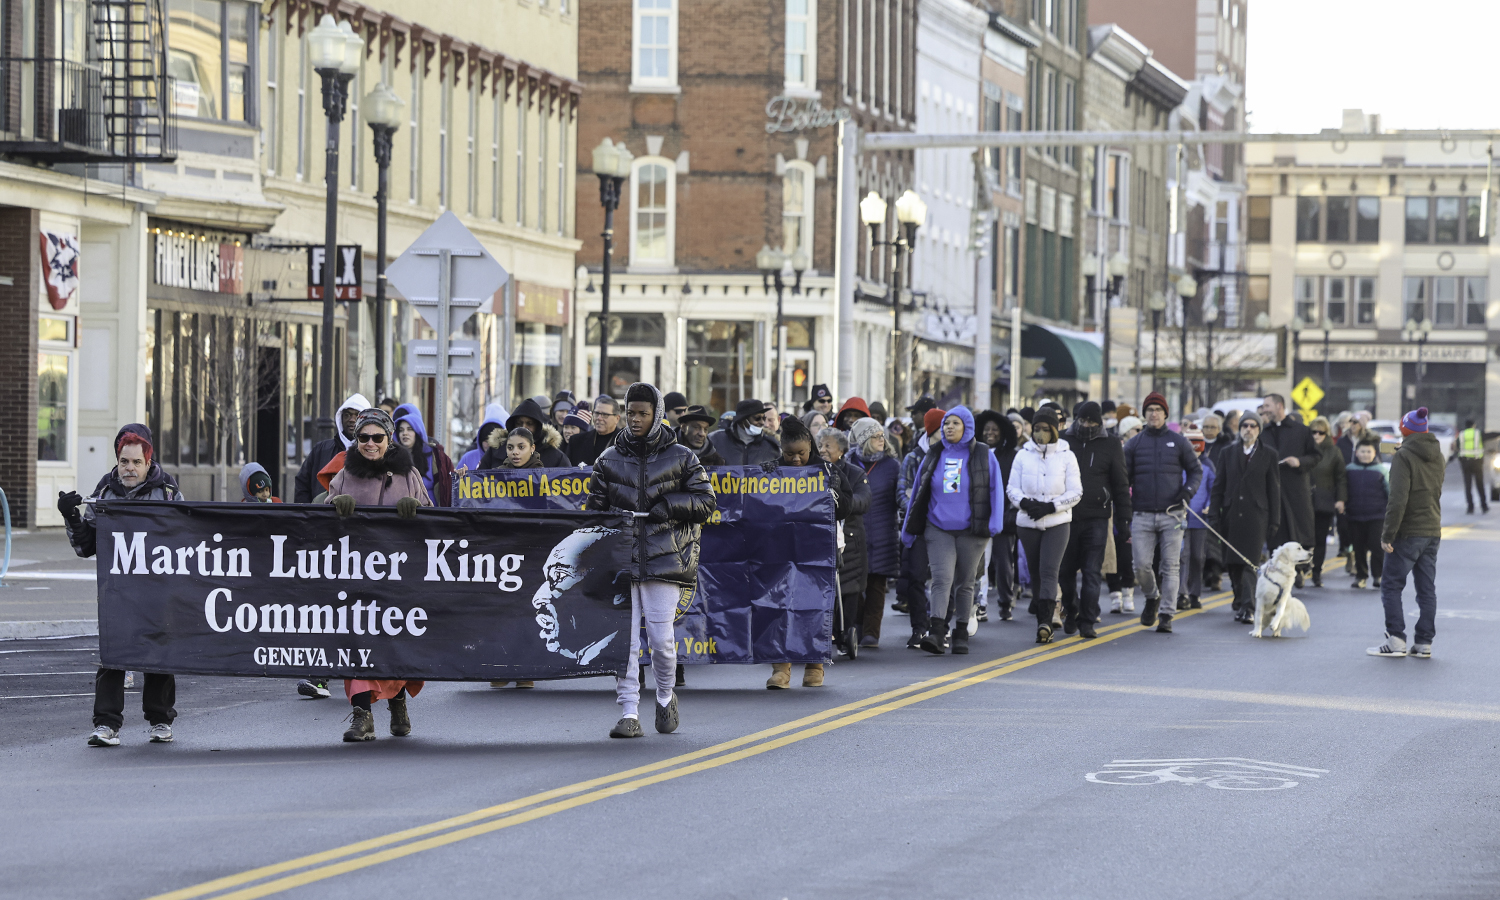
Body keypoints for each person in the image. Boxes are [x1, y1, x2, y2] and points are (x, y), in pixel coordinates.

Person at [589, 383, 716, 733]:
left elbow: (707, 503)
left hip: (665, 560)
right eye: (631, 412)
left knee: (661, 643)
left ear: (657, 414)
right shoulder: (608, 459)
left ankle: (664, 697)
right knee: (626, 644)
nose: (635, 419)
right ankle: (629, 713)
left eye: (643, 413)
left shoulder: (682, 456)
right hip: (622, 561)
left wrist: (669, 506)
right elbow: (592, 514)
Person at [60, 432, 184, 747]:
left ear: (148, 462)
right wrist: (71, 515)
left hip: (157, 590)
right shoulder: (103, 493)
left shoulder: (168, 493)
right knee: (113, 655)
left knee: (158, 654)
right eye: (124, 461)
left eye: (136, 462)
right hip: (117, 591)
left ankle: (160, 720)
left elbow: (186, 539)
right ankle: (106, 724)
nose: (129, 468)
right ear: (118, 461)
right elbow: (86, 546)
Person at [325, 408, 432, 741]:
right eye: (362, 438)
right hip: (354, 573)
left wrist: (416, 512)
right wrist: (333, 504)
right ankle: (362, 715)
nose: (369, 444)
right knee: (355, 643)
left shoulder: (409, 475)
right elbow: (321, 517)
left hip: (398, 576)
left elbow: (434, 519)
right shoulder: (344, 474)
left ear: (389, 439)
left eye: (377, 438)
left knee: (393, 642)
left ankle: (397, 702)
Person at [902, 406, 1004, 655]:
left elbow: (995, 489)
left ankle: (960, 632)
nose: (948, 428)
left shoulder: (983, 454)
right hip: (938, 528)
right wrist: (908, 528)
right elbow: (918, 490)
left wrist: (995, 523)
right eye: (946, 424)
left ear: (967, 427)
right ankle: (937, 631)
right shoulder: (934, 454)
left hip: (972, 529)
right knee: (941, 580)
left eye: (955, 423)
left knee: (966, 582)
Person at [765, 416, 848, 688]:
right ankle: (782, 667)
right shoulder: (771, 470)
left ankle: (815, 665)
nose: (796, 460)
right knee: (779, 606)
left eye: (801, 454)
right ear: (781, 450)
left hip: (817, 551)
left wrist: (833, 496)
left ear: (810, 447)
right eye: (789, 455)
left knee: (814, 605)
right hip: (780, 550)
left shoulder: (827, 470)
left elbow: (848, 506)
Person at [1123, 392, 1202, 634]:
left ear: (1166, 413)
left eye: (1158, 409)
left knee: (1171, 566)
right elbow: (1123, 477)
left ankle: (1167, 613)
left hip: (1173, 514)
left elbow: (1195, 472)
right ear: (1144, 415)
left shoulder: (1179, 442)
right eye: (1149, 410)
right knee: (1141, 565)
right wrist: (1124, 502)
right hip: (1142, 514)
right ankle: (1152, 596)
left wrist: (1187, 492)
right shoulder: (1134, 444)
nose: (1154, 414)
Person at [1369, 408, 1445, 659]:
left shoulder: (1403, 456)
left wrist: (1387, 534)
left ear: (1405, 429)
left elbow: (1397, 499)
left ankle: (1396, 640)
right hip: (1432, 529)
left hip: (1408, 531)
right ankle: (1424, 643)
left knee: (1391, 584)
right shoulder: (1437, 455)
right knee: (1426, 588)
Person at [1007, 407, 1082, 644]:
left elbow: (1076, 491)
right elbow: (1012, 489)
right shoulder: (1022, 455)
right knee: (1036, 571)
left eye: (1045, 429)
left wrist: (1052, 506)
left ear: (1054, 430)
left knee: (1050, 570)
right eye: (1036, 429)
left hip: (1057, 522)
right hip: (1028, 522)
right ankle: (1042, 613)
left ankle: (1046, 622)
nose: (1040, 433)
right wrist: (1025, 503)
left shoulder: (1066, 455)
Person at [1058, 401, 1130, 638]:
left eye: (1092, 422)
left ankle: (1087, 620)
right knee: (1065, 572)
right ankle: (1071, 609)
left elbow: (1121, 484)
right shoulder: (1063, 441)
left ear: (1099, 423)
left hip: (1097, 516)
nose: (1087, 425)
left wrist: (1124, 520)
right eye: (1083, 420)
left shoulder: (1110, 444)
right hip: (1067, 516)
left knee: (1091, 571)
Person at [1210, 414, 1280, 623]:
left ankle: (1249, 606)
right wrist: (1214, 513)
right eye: (1245, 426)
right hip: (1231, 515)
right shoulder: (1227, 453)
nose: (1248, 429)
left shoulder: (1269, 454)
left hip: (1256, 516)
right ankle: (1240, 599)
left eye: (1253, 426)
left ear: (1259, 430)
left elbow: (1274, 489)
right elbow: (1218, 486)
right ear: (1240, 429)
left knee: (1249, 562)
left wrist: (1274, 519)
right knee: (1232, 562)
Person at [892, 408, 944, 639]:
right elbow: (902, 493)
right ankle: (919, 628)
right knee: (916, 576)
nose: (950, 432)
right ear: (933, 431)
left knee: (944, 578)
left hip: (944, 525)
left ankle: (941, 625)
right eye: (944, 428)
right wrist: (918, 507)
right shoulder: (914, 458)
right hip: (917, 525)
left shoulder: (952, 456)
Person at [818, 427, 870, 656]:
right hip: (818, 536)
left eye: (828, 446)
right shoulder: (813, 470)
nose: (823, 450)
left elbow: (863, 501)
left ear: (841, 450)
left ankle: (846, 631)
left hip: (848, 539)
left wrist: (839, 501)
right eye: (820, 445)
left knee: (849, 588)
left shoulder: (856, 474)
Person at [850, 417, 901, 647]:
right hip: (854, 533)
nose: (882, 440)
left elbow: (898, 498)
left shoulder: (892, 465)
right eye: (876, 436)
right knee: (854, 584)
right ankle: (856, 627)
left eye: (883, 435)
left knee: (876, 584)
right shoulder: (848, 462)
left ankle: (871, 632)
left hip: (882, 533)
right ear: (864, 440)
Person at [1261, 393, 1319, 585]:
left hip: (1295, 489)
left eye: (1267, 405)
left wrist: (1299, 461)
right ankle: (1276, 573)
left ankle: (1299, 570)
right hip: (1272, 489)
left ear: (1279, 406)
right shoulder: (1263, 432)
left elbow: (1315, 456)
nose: (1264, 409)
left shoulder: (1301, 430)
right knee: (1275, 531)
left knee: (1296, 530)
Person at [975, 410, 1020, 621]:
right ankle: (981, 603)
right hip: (980, 517)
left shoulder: (1012, 455)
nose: (989, 433)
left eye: (994, 430)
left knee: (1003, 562)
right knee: (980, 563)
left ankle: (1005, 602)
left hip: (1003, 517)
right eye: (986, 429)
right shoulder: (976, 452)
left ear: (1002, 433)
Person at [294, 393, 370, 503]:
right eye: (347, 415)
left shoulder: (373, 452)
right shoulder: (321, 449)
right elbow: (302, 484)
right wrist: (308, 513)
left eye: (357, 415)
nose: (351, 419)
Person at [1307, 416, 1349, 587]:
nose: (1316, 435)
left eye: (1320, 432)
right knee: (1302, 537)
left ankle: (1316, 572)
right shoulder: (1304, 449)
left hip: (1324, 500)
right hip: (1304, 500)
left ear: (1327, 433)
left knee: (1320, 538)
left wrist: (1341, 499)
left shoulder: (1333, 451)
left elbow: (1341, 478)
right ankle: (1301, 569)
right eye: (1313, 432)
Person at [1176, 428, 1215, 611]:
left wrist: (1209, 504)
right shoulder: (1178, 465)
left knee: (1198, 556)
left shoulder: (1207, 467)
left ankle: (1195, 593)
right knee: (1182, 555)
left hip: (1200, 518)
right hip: (1181, 516)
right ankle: (1182, 593)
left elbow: (1212, 488)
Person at [392, 404, 457, 507]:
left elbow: (451, 485)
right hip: (402, 515)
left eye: (409, 429)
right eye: (401, 430)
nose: (405, 433)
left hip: (433, 517)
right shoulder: (391, 457)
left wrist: (460, 476)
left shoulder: (436, 456)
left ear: (417, 431)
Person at [1346, 436, 1389, 589]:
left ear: (1374, 453)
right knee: (1358, 548)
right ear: (1356, 453)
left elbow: (1389, 491)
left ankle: (1378, 575)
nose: (1365, 454)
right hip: (1355, 515)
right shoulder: (1350, 469)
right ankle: (1361, 575)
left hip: (1376, 515)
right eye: (1362, 451)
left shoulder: (1381, 470)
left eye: (1368, 451)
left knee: (1377, 547)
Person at [708, 399, 781, 465]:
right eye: (757, 418)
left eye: (763, 418)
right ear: (742, 420)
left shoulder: (772, 446)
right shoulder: (715, 441)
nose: (762, 423)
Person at [505, 398, 570, 467]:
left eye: (529, 423)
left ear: (538, 427)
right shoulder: (498, 451)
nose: (523, 427)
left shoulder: (556, 457)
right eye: (519, 423)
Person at [566, 395, 623, 466]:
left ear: (617, 418)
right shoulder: (576, 441)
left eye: (605, 415)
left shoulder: (625, 444)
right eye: (596, 413)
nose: (599, 418)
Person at [458, 404, 508, 471]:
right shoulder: (468, 459)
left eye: (495, 440)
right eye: (486, 441)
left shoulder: (511, 460)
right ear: (480, 440)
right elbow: (455, 480)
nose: (490, 444)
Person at [1457, 417, 1488, 514]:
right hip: (1477, 462)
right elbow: (1490, 436)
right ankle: (1484, 506)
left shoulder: (1461, 435)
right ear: (1473, 425)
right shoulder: (1478, 433)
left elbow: (1457, 448)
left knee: (1468, 485)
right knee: (1480, 484)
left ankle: (1470, 507)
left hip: (1465, 463)